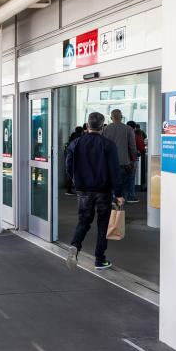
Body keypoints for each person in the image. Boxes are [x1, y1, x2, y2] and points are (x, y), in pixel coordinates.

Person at [65, 112, 125, 271]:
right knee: (103, 224)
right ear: (102, 127)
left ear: (87, 126)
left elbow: (68, 165)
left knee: (83, 221)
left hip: (83, 190)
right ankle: (99, 259)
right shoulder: (108, 145)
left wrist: (76, 180)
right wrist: (118, 193)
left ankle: (75, 246)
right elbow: (114, 171)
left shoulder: (76, 143)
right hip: (103, 191)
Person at [102, 109, 138, 203]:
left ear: (111, 118)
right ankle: (120, 205)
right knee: (123, 187)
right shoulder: (128, 129)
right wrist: (133, 160)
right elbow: (133, 147)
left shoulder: (105, 129)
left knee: (110, 186)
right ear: (121, 117)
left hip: (109, 163)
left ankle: (112, 204)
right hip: (124, 162)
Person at [64, 126, 84, 196]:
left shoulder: (72, 136)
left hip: (71, 159)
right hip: (77, 159)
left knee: (70, 175)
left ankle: (69, 189)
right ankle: (76, 190)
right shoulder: (79, 138)